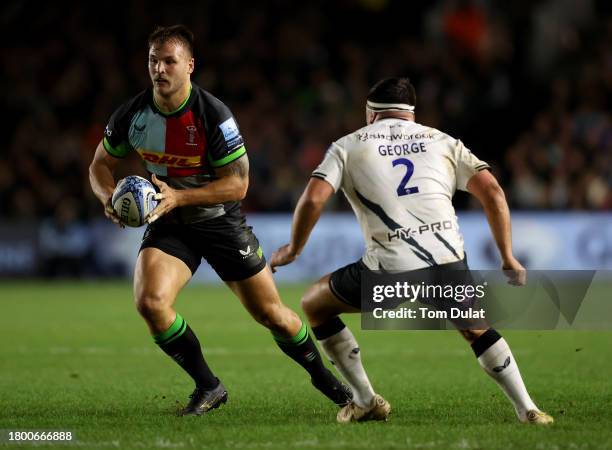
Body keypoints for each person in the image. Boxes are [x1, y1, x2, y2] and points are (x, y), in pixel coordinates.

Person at [89, 24, 351, 416]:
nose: (160, 69)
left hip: (219, 221)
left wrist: (180, 196)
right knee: (151, 302)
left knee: (272, 315)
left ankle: (328, 382)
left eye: (169, 61)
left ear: (189, 66)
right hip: (170, 224)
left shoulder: (213, 115)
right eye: (153, 61)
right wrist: (107, 195)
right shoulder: (132, 114)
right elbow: (99, 165)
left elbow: (239, 185)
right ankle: (208, 386)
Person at [270, 77, 554, 425]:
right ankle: (528, 409)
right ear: (411, 114)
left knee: (314, 304)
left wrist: (293, 249)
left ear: (370, 113)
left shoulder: (348, 145)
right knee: (475, 328)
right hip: (448, 259)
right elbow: (493, 191)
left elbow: (314, 198)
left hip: (389, 268)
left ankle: (364, 399)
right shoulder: (443, 141)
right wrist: (507, 256)